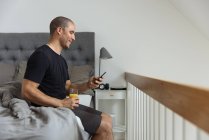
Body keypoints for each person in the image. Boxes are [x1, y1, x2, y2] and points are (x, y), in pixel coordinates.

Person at [21, 16, 113, 140]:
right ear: (59, 30)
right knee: (105, 126)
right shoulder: (41, 55)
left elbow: (68, 88)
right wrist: (61, 102)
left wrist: (88, 85)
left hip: (63, 105)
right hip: (51, 108)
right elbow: (27, 90)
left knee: (107, 118)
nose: (74, 38)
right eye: (71, 32)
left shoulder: (61, 60)